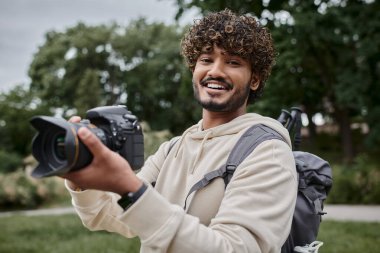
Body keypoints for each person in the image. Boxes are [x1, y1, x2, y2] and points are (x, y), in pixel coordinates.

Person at [63, 9, 297, 253]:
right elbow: (108, 214)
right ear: (193, 70)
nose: (215, 71)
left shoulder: (268, 152)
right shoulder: (173, 148)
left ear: (255, 79)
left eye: (233, 62)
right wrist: (81, 176)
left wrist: (131, 188)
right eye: (206, 60)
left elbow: (235, 249)